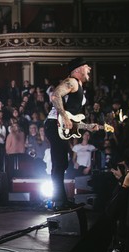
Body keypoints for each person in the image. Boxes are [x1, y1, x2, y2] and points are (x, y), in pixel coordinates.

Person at [44, 57, 98, 211]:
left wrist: (87, 126)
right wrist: (65, 116)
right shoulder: (72, 82)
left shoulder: (79, 86)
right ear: (78, 69)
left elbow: (72, 120)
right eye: (87, 67)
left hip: (59, 125)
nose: (90, 69)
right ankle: (59, 202)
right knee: (59, 163)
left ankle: (61, 200)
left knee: (62, 163)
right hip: (54, 124)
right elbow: (55, 95)